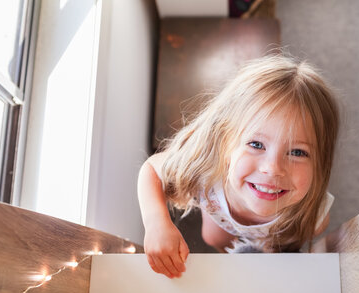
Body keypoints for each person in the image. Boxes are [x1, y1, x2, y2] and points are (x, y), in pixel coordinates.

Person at [137, 53, 340, 278]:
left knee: (299, 236)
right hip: (221, 212)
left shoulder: (313, 213)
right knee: (213, 238)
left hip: (282, 228)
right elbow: (152, 169)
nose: (272, 168)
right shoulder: (205, 168)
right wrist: (157, 223)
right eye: (256, 144)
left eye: (297, 152)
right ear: (224, 140)